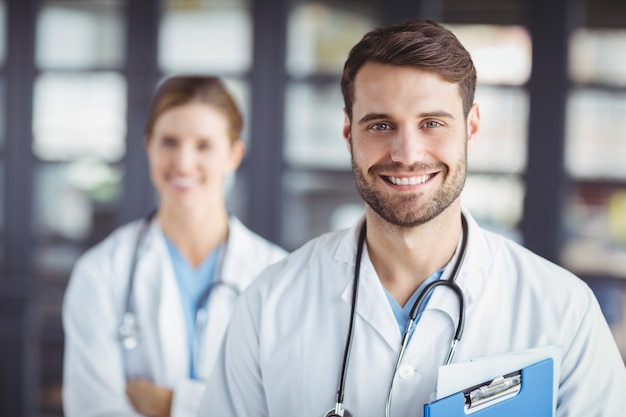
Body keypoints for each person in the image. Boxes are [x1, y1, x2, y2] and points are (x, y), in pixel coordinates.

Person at [197, 19, 626, 417]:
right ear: (348, 133)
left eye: (432, 123)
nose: (406, 155)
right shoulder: (269, 304)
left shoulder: (563, 310)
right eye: (381, 126)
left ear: (471, 128)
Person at [62, 76, 287, 417]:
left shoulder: (279, 275)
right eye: (169, 142)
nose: (183, 163)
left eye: (204, 145)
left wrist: (171, 404)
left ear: (234, 155)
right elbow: (92, 408)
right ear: (148, 146)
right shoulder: (101, 272)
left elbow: (288, 405)